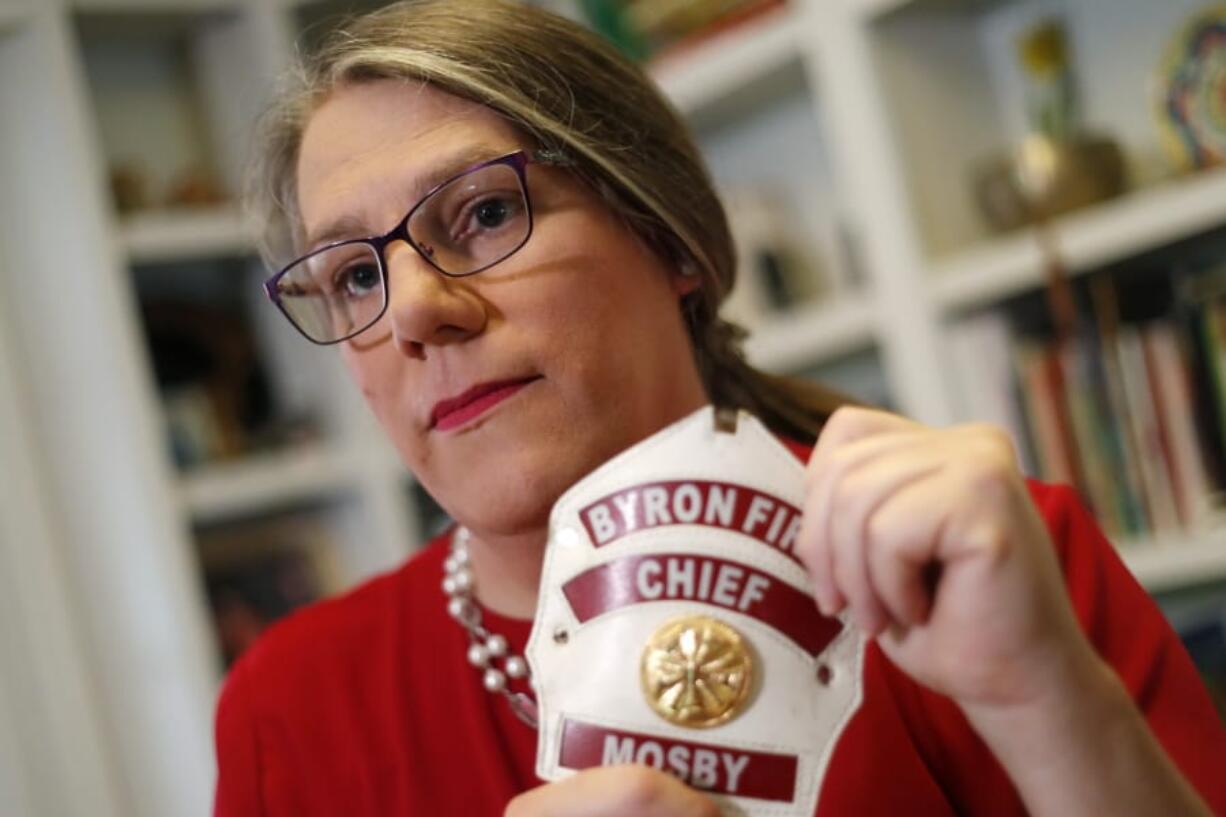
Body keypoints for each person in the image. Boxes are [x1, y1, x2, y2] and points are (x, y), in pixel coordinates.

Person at [214, 1, 1226, 815]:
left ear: (671, 241)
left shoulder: (984, 567)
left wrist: (1047, 697)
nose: (417, 314)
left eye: (482, 213)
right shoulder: (290, 707)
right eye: (352, 276)